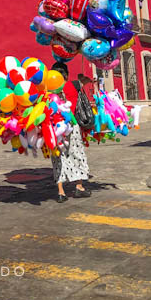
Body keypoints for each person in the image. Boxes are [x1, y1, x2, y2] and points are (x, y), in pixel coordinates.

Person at [50, 62, 91, 203]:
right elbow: (88, 80)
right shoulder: (73, 85)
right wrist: (82, 77)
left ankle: (61, 192)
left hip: (55, 129)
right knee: (77, 155)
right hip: (72, 127)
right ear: (66, 74)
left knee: (58, 158)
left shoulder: (48, 89)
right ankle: (79, 187)